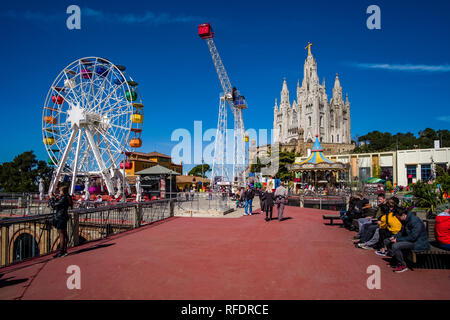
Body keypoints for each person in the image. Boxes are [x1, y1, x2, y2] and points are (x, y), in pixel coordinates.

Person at [384, 208, 430, 273]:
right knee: (387, 241)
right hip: (409, 240)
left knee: (396, 246)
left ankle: (402, 265)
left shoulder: (415, 221)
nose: (398, 219)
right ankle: (395, 259)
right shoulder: (405, 220)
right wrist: (394, 237)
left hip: (418, 242)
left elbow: (413, 237)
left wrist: (398, 240)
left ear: (403, 215)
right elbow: (401, 232)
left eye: (398, 217)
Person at [48, 186, 73, 258]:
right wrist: (56, 198)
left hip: (60, 217)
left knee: (61, 235)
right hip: (64, 217)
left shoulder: (64, 198)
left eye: (60, 191)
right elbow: (60, 204)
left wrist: (51, 198)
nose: (59, 192)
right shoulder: (68, 197)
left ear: (63, 191)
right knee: (64, 234)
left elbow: (53, 206)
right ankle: (64, 250)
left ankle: (62, 251)